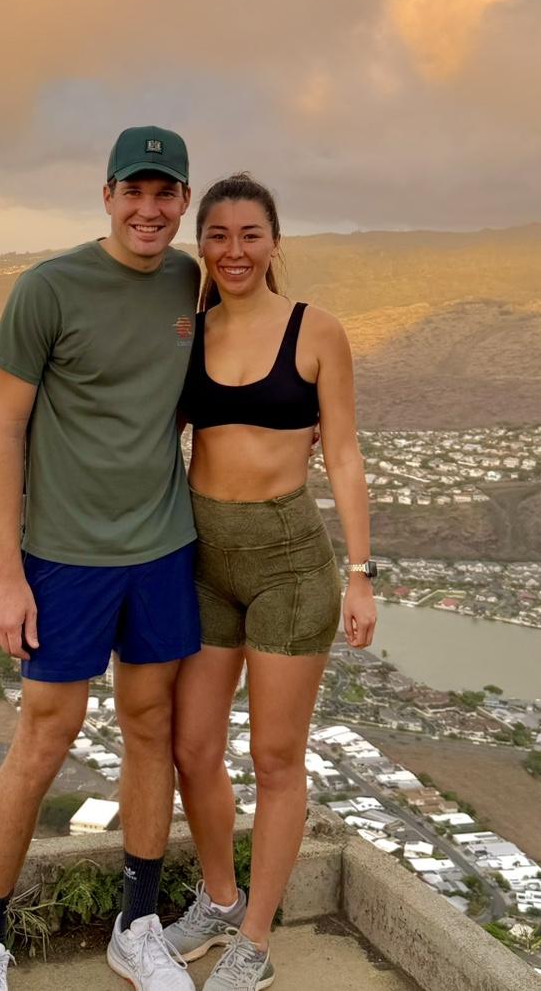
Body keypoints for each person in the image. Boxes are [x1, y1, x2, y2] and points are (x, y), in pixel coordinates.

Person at [0, 126, 202, 991]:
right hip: (64, 559)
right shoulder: (46, 289)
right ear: (105, 195)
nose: (149, 208)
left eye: (165, 193)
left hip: (164, 549)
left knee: (150, 731)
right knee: (43, 738)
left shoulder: (187, 279)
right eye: (134, 191)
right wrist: (9, 572)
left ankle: (136, 928)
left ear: (183, 201)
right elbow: (3, 432)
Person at [164, 173, 377, 991]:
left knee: (276, 756)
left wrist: (359, 576)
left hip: (291, 562)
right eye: (217, 235)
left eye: (250, 234)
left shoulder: (316, 331)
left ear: (275, 242)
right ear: (202, 246)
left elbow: (347, 453)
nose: (234, 250)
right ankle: (220, 898)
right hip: (204, 558)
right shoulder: (192, 331)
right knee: (192, 746)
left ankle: (254, 939)